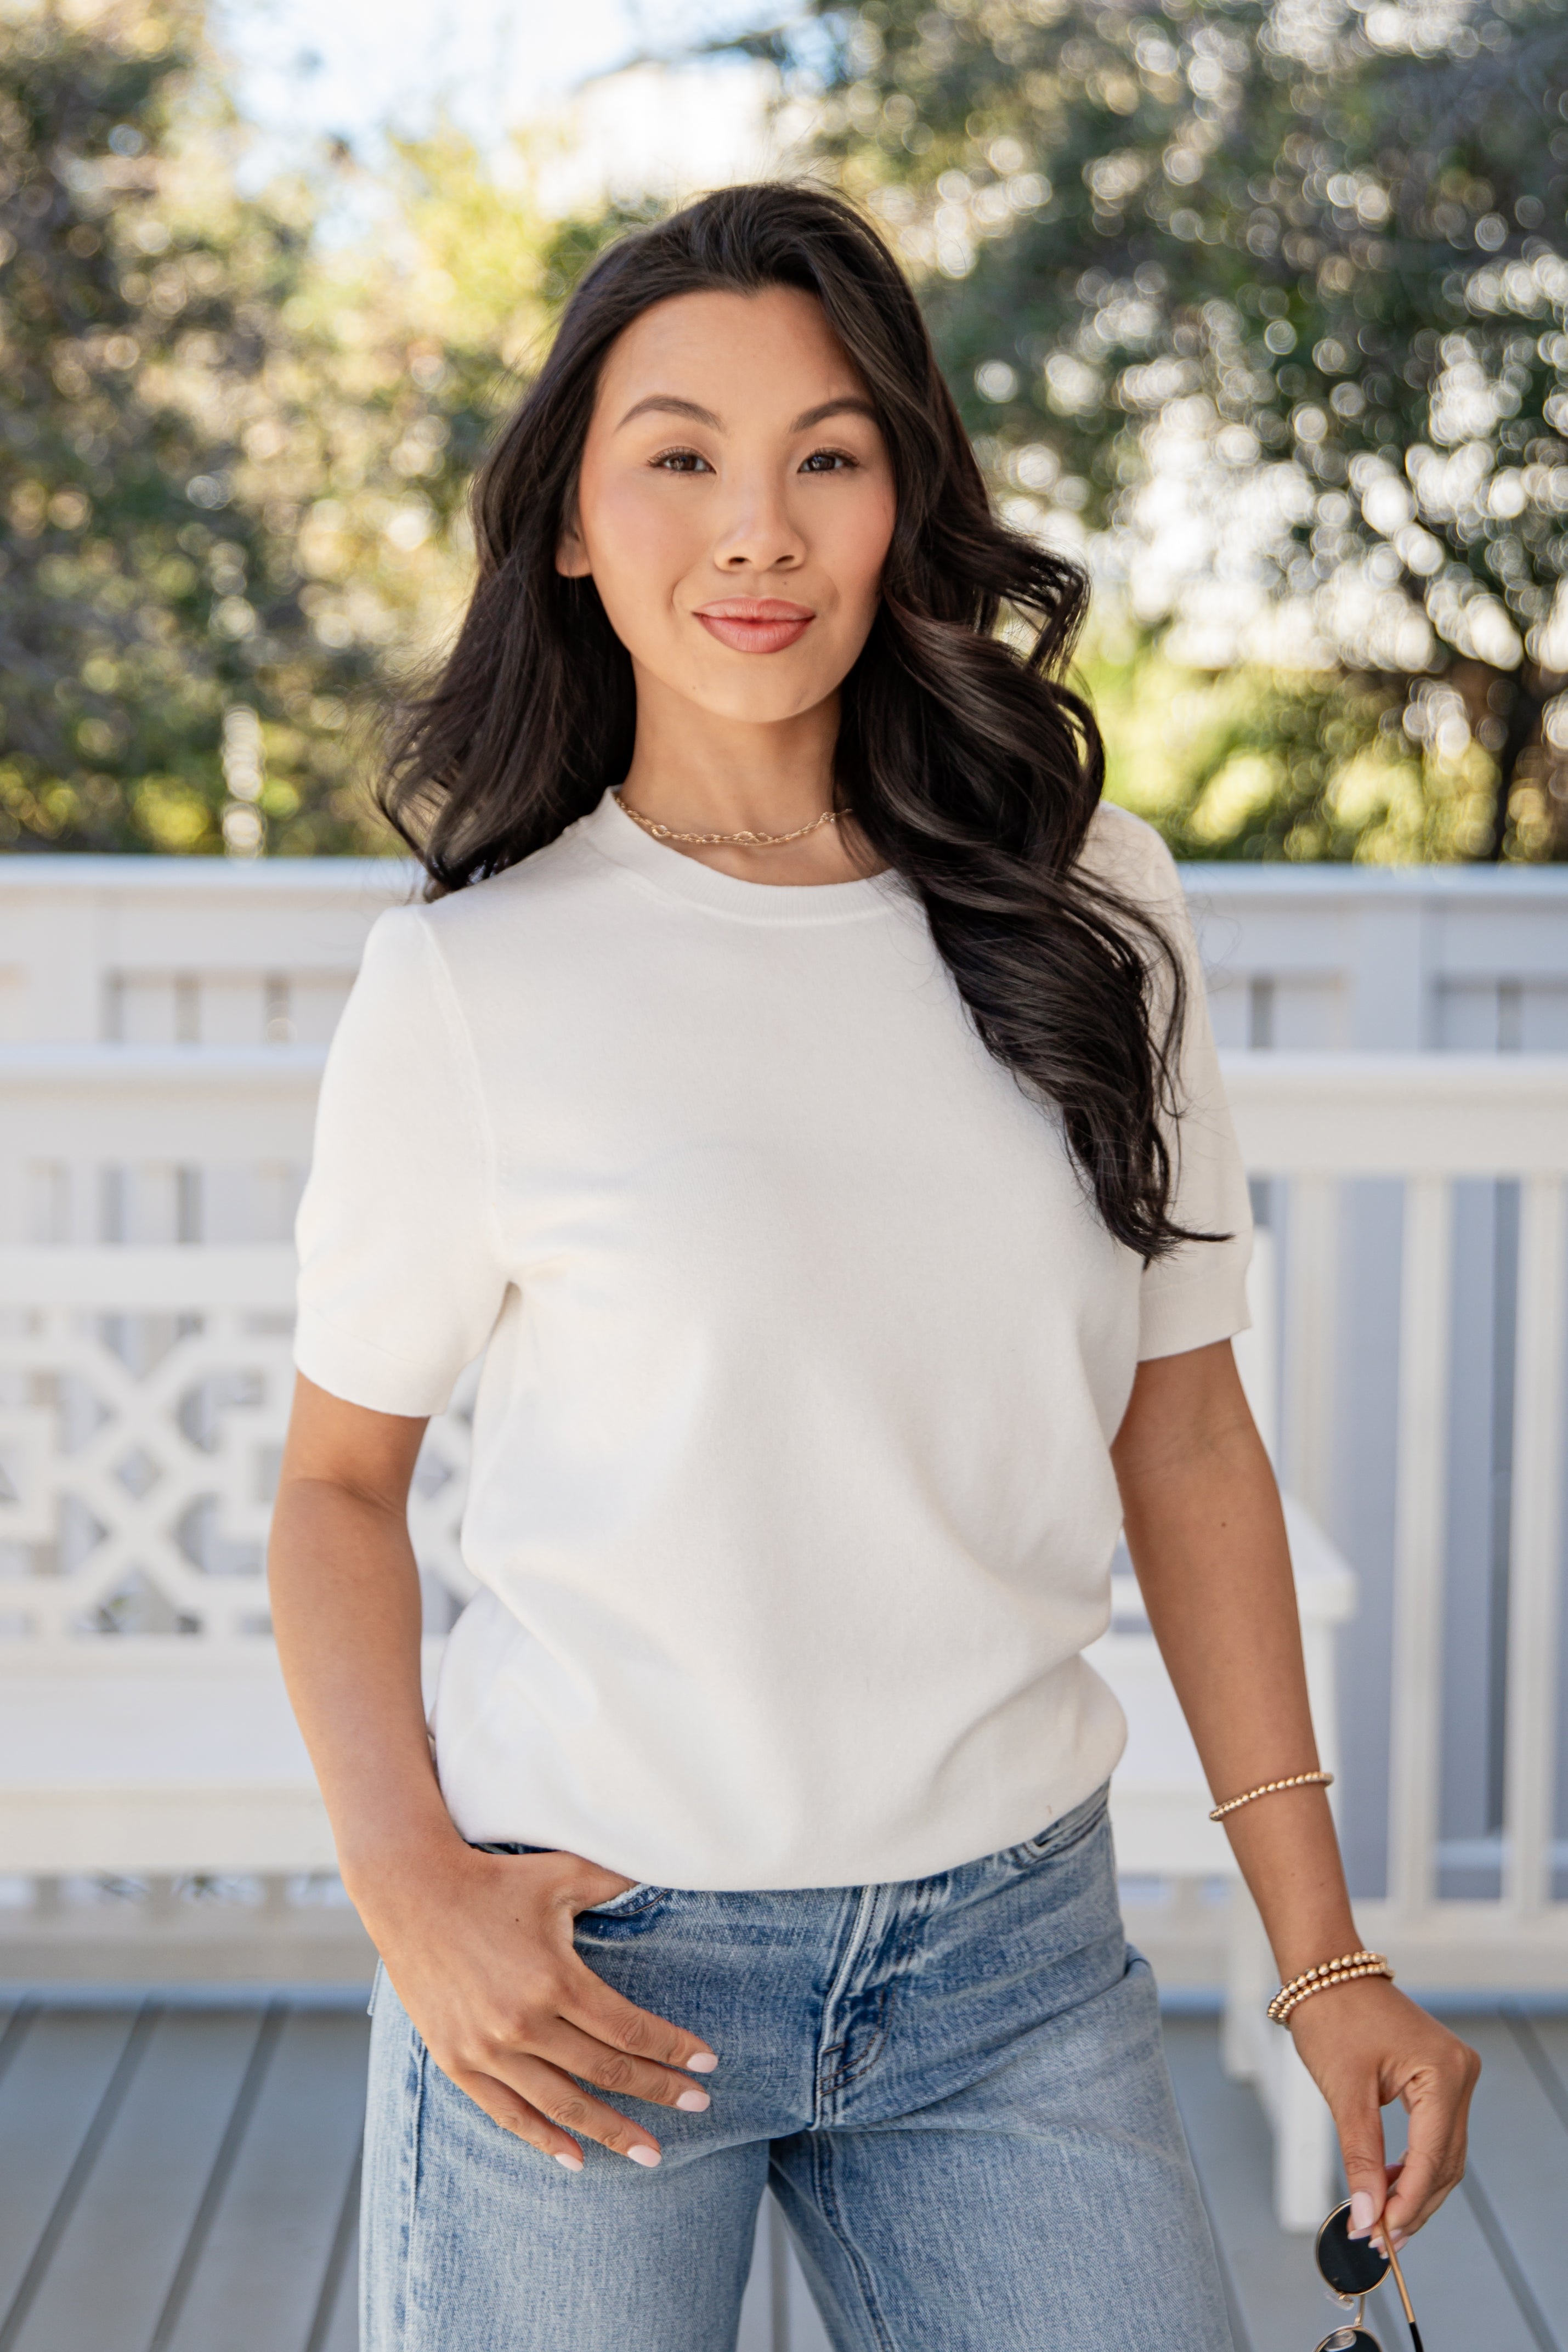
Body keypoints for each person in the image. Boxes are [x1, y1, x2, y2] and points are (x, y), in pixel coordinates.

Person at [268, 183, 1478, 2352]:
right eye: (680, 458)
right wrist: (412, 1892)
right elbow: (336, 1484)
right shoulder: (473, 983)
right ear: (571, 523)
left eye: (826, 456)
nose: (759, 531)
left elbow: (1186, 1440)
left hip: (1011, 1968)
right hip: (585, 1974)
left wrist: (1323, 1958)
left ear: (903, 499)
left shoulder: (1094, 908)